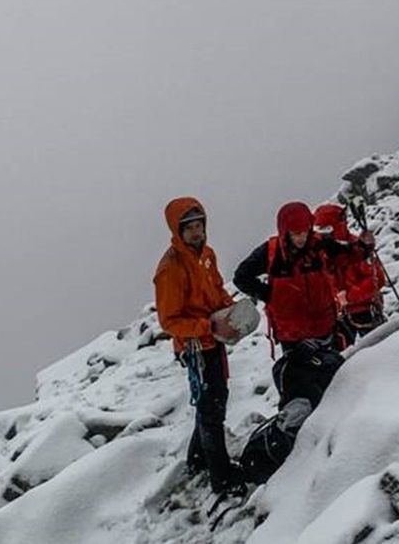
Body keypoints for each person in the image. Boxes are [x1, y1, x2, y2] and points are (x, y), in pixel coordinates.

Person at [232, 202, 373, 484]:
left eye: (305, 231)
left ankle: (333, 430)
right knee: (301, 385)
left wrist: (364, 248)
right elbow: (241, 276)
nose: (301, 237)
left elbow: (346, 255)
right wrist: (268, 294)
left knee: (332, 380)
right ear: (285, 232)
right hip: (293, 334)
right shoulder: (270, 252)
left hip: (324, 326)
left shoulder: (319, 244)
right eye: (296, 233)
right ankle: (297, 439)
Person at [153, 197, 246, 497]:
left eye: (199, 225)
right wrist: (205, 327)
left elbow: (216, 290)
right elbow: (169, 321)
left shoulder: (207, 255)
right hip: (195, 347)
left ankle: (197, 460)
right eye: (189, 228)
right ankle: (222, 478)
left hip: (214, 339)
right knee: (211, 409)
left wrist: (230, 309)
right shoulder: (171, 268)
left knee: (212, 401)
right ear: (177, 231)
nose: (196, 232)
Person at [313, 203, 386, 349]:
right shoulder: (320, 253)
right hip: (338, 315)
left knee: (382, 349)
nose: (323, 234)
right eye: (320, 230)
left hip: (365, 310)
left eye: (326, 229)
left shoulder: (357, 249)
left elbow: (376, 279)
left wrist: (348, 297)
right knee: (339, 358)